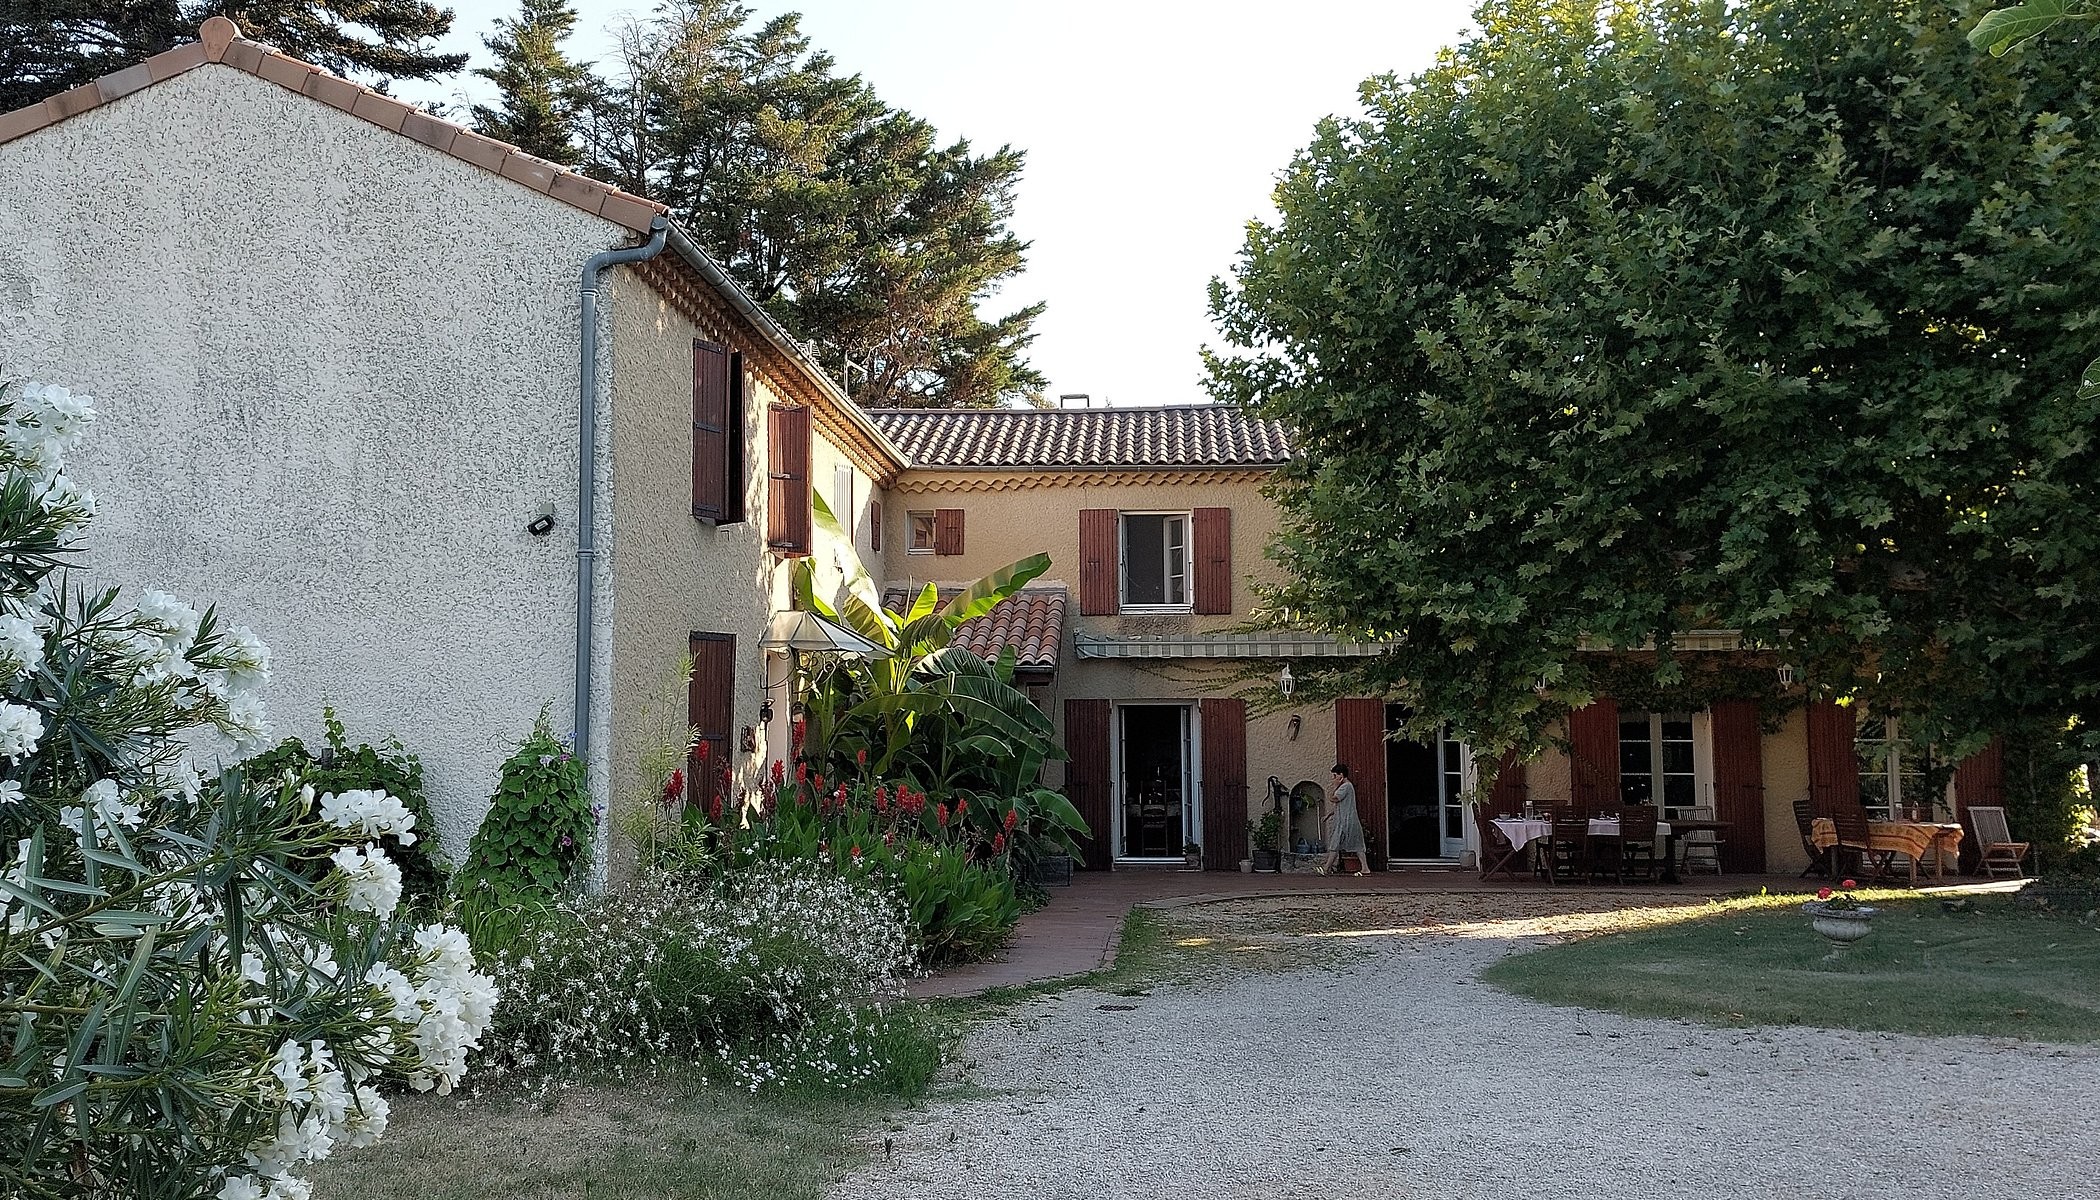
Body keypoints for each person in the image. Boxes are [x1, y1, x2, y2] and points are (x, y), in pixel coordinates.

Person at [1320, 763, 1371, 876]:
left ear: (1341, 775)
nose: (1333, 779)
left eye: (1335, 776)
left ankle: (1326, 868)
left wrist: (1332, 789)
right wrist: (1329, 815)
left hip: (1344, 821)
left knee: (1335, 844)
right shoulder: (1348, 786)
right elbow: (1341, 806)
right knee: (1357, 844)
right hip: (1348, 819)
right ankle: (1365, 868)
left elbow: (1335, 799)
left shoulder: (1345, 787)